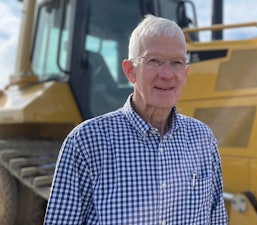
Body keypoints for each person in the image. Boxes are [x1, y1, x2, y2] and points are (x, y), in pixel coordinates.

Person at [44, 15, 228, 224]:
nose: (167, 74)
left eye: (176, 63)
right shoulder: (86, 142)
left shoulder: (203, 139)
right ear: (130, 71)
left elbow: (216, 218)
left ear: (186, 73)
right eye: (154, 61)